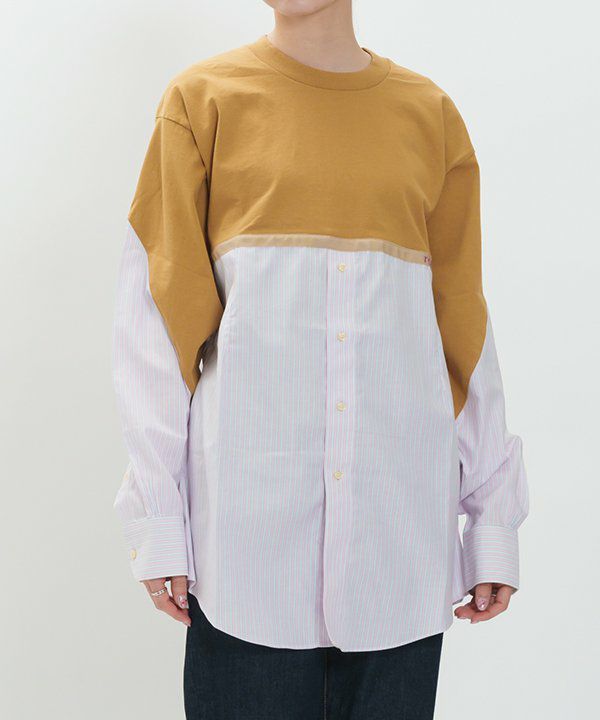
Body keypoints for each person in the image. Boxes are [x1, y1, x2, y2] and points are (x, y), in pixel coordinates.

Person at [112, 1, 529, 718]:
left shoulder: (430, 118)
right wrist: (158, 520)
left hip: (399, 550)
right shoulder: (202, 103)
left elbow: (462, 327)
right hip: (247, 561)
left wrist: (492, 522)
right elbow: (157, 333)